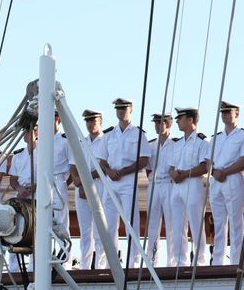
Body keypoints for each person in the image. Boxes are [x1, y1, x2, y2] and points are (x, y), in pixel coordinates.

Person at [94, 98, 152, 268]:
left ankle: (132, 262)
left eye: (124, 108)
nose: (120, 111)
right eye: (118, 108)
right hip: (111, 182)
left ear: (131, 110)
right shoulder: (109, 135)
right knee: (109, 224)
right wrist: (109, 171)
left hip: (128, 180)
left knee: (130, 222)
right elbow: (102, 160)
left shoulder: (138, 134)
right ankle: (109, 263)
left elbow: (144, 160)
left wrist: (123, 171)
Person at [209, 101, 244, 265]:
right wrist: (214, 172)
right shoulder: (216, 138)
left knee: (236, 222)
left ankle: (236, 261)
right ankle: (217, 261)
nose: (225, 115)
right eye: (223, 112)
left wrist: (225, 172)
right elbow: (208, 161)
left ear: (237, 114)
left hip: (233, 178)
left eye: (228, 112)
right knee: (218, 222)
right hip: (216, 180)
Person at [168, 107, 211, 267]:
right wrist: (173, 174)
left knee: (196, 223)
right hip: (177, 186)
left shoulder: (203, 141)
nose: (177, 121)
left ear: (190, 120)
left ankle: (199, 261)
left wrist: (184, 174)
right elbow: (170, 167)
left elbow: (204, 167)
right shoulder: (177, 144)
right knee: (177, 226)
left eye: (180, 118)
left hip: (193, 184)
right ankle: (180, 261)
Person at [68, 110, 105, 269]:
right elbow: (72, 165)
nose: (90, 124)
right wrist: (77, 180)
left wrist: (83, 180)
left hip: (98, 187)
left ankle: (100, 267)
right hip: (81, 189)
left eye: (93, 120)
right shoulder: (80, 142)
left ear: (100, 121)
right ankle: (85, 266)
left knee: (100, 231)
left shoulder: (106, 141)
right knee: (85, 232)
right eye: (88, 121)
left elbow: (104, 166)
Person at [145, 113, 177, 267]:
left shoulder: (176, 144)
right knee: (152, 225)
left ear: (168, 124)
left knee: (171, 223)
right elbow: (148, 169)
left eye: (160, 122)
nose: (157, 125)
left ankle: (172, 261)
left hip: (169, 184)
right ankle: (152, 260)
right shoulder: (150, 145)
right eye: (156, 123)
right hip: (154, 184)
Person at [8, 125, 38, 198]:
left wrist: (36, 187)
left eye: (27, 131)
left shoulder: (45, 154)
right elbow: (13, 179)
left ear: (37, 133)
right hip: (21, 194)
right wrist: (18, 188)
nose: (24, 134)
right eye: (23, 132)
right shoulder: (18, 155)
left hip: (40, 195)